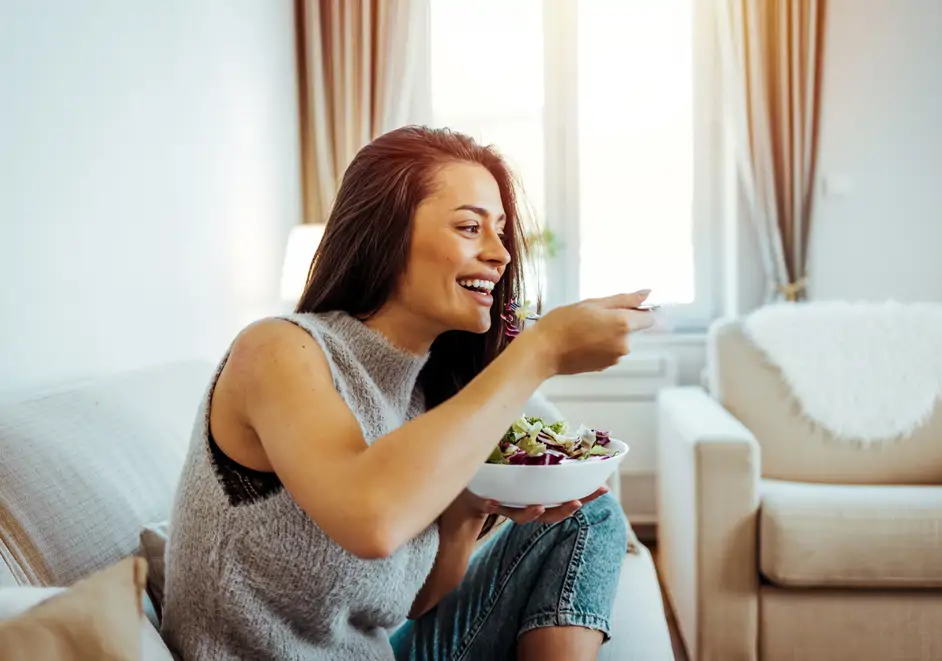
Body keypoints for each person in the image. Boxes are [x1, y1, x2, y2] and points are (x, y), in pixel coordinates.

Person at [160, 126, 656, 661]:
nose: (501, 255)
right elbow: (371, 520)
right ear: (386, 235)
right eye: (470, 227)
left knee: (591, 515)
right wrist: (541, 350)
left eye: (501, 232)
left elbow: (413, 604)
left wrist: (467, 507)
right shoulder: (278, 349)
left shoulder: (422, 394)